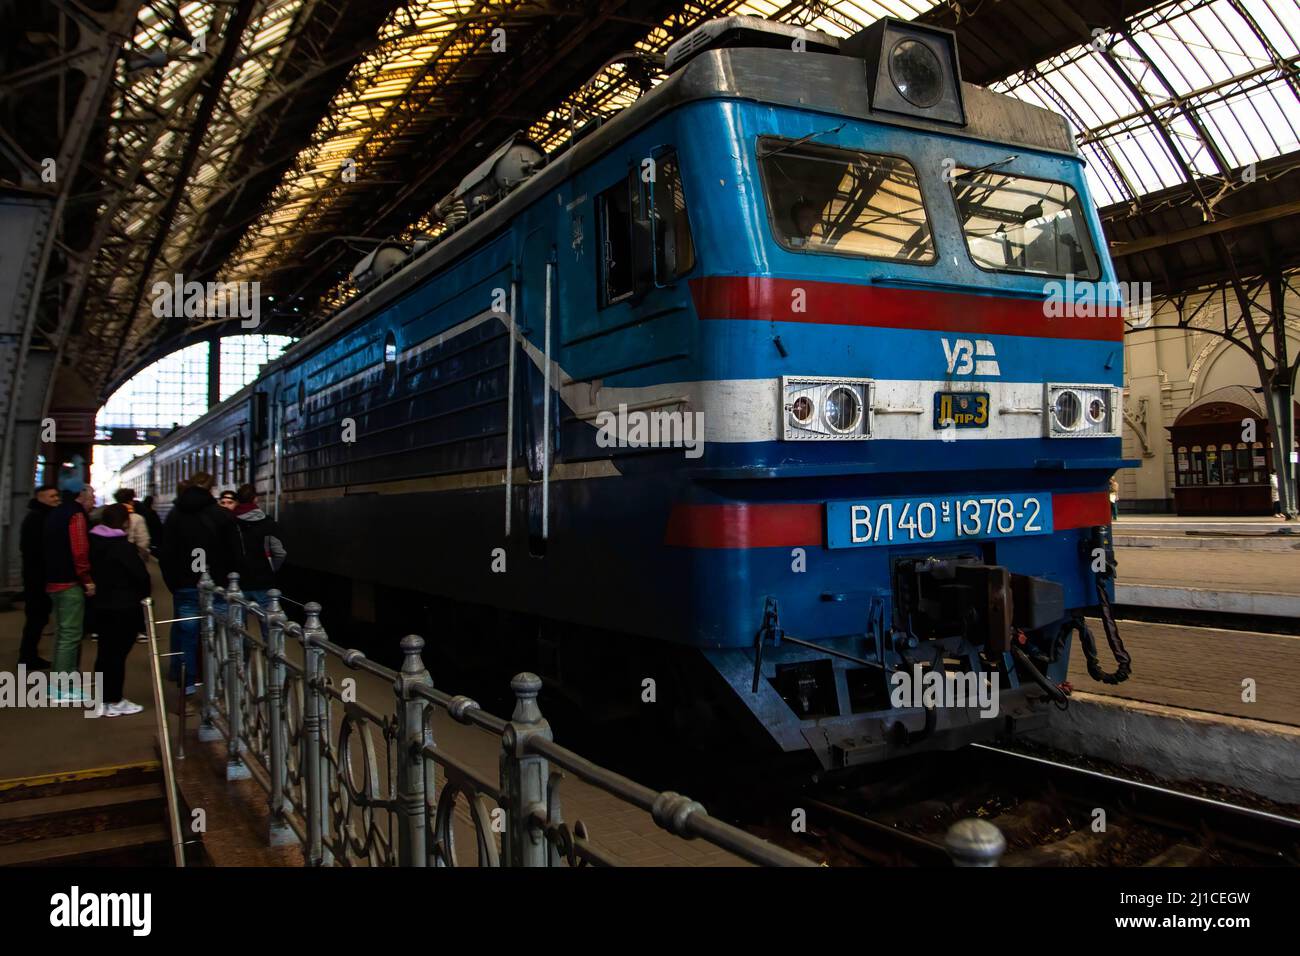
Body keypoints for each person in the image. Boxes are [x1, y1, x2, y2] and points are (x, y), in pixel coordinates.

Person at [159, 471, 237, 693]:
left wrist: (174, 584)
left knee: (188, 637)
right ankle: (219, 685)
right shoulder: (222, 515)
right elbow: (234, 555)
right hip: (217, 586)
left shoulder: (174, 515)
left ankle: (188, 686)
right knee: (219, 635)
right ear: (212, 488)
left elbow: (166, 555)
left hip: (185, 586)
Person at [88, 504, 150, 717]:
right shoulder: (123, 547)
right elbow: (141, 576)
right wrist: (143, 594)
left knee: (105, 653)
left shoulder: (93, 541)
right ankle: (114, 700)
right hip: (124, 607)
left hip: (101, 605)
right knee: (117, 655)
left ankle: (102, 700)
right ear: (125, 522)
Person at [44, 458, 95, 700]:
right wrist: (86, 579)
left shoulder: (55, 513)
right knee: (70, 635)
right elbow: (80, 550)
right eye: (91, 496)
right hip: (69, 583)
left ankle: (58, 683)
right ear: (80, 497)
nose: (93, 501)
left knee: (62, 633)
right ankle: (61, 688)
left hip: (54, 580)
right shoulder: (76, 516)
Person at [18, 484, 60, 669]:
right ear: (40, 497)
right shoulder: (38, 518)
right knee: (36, 618)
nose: (56, 499)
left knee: (37, 618)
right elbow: (38, 550)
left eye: (56, 495)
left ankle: (28, 656)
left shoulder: (38, 516)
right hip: (38, 578)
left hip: (36, 576)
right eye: (52, 496)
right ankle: (27, 658)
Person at [231, 484, 287, 616]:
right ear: (255, 499)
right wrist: (270, 568)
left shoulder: (230, 523)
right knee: (269, 621)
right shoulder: (268, 523)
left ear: (238, 500)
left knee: (237, 626)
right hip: (263, 580)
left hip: (237, 581)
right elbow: (280, 552)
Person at [112, 488, 151, 558]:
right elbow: (143, 542)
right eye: (132, 500)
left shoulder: (112, 515)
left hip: (114, 556)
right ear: (130, 501)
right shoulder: (136, 518)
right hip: (131, 557)